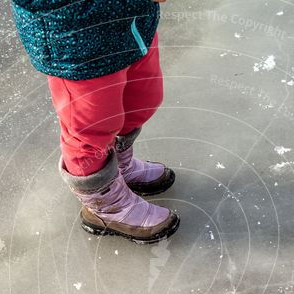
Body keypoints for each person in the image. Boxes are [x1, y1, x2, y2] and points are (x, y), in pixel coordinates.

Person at [11, 0, 180, 244]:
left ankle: (119, 167)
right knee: (92, 129)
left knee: (142, 100)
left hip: (133, 26)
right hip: (79, 41)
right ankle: (105, 205)